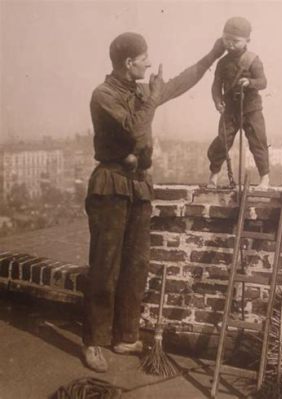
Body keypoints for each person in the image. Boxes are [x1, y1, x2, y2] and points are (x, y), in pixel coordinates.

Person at [82, 32, 225, 372]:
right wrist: (153, 97)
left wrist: (212, 55)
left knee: (135, 265)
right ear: (128, 63)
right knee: (105, 266)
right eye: (144, 58)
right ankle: (92, 341)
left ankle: (125, 335)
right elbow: (134, 127)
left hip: (138, 186)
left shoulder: (140, 91)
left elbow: (177, 84)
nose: (149, 62)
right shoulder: (103, 95)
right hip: (111, 185)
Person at [207, 16, 270, 188]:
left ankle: (265, 178)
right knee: (223, 141)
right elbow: (216, 86)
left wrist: (250, 83)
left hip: (251, 109)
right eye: (226, 39)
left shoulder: (253, 60)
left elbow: (263, 82)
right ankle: (213, 175)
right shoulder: (222, 63)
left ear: (247, 40)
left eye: (235, 41)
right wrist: (217, 101)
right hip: (230, 110)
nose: (230, 44)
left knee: (258, 142)